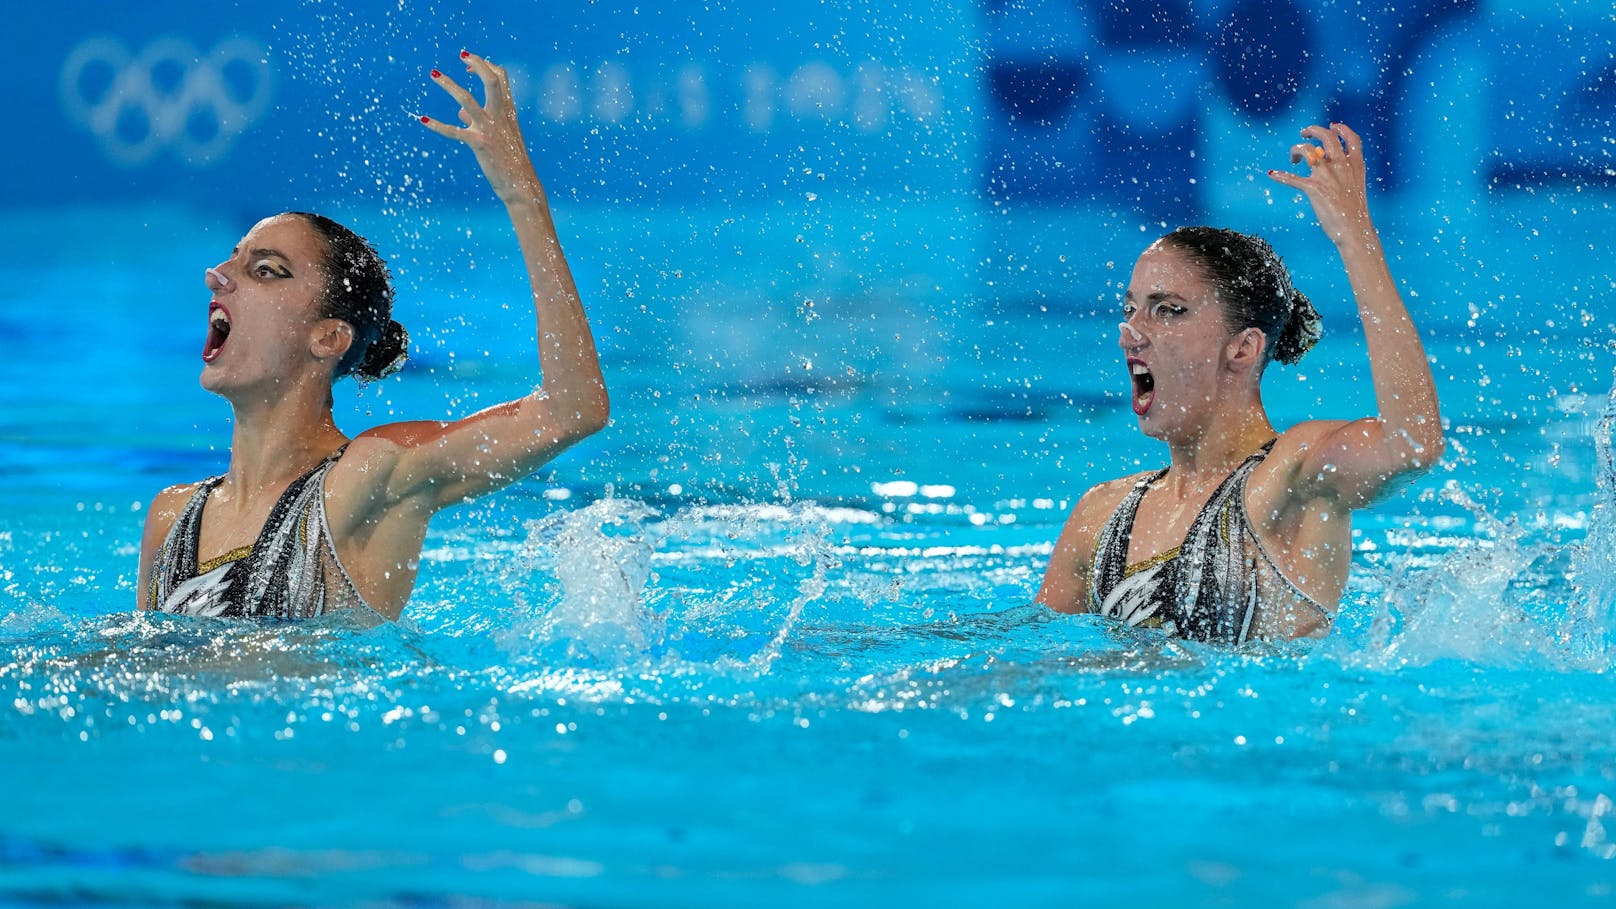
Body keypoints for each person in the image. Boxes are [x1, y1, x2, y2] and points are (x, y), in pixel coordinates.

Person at [137, 51, 608, 621]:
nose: (218, 276)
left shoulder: (366, 479)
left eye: (266, 270)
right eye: (232, 261)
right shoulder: (172, 516)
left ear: (329, 337)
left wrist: (522, 196)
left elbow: (572, 410)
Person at [1035, 122, 1442, 643]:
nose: (1131, 333)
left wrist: (1355, 238)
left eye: (1168, 311)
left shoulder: (1292, 480)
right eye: (1131, 309)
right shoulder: (1102, 514)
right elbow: (1034, 658)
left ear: (1244, 348)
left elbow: (1412, 445)